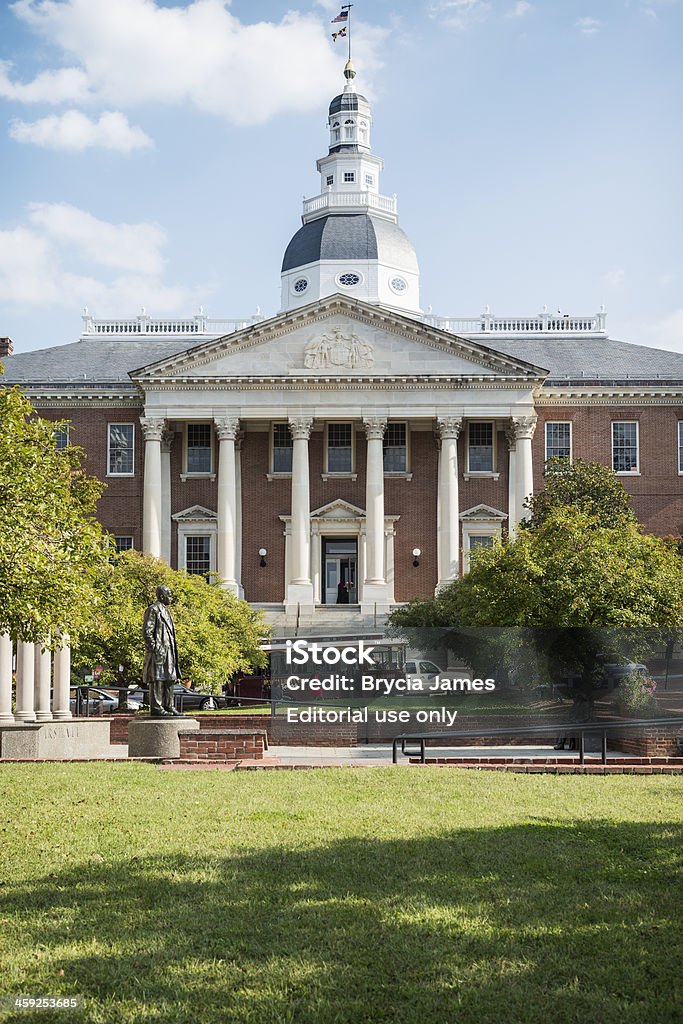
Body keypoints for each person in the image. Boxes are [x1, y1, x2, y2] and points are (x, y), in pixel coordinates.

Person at [142, 585, 183, 717]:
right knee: (158, 679)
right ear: (161, 596)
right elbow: (147, 632)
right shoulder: (153, 610)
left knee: (170, 678)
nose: (171, 597)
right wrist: (154, 647)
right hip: (159, 651)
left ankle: (169, 706)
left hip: (169, 650)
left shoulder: (166, 611)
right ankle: (157, 707)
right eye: (169, 594)